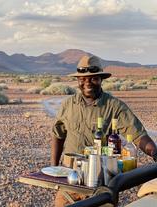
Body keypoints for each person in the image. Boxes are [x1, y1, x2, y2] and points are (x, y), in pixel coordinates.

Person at [51, 55, 157, 207]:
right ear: (78, 80)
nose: (87, 82)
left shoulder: (114, 106)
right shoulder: (68, 105)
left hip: (100, 181)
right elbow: (57, 135)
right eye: (83, 79)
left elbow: (137, 134)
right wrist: (53, 170)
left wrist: (154, 152)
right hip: (70, 178)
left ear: (101, 79)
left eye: (93, 78)